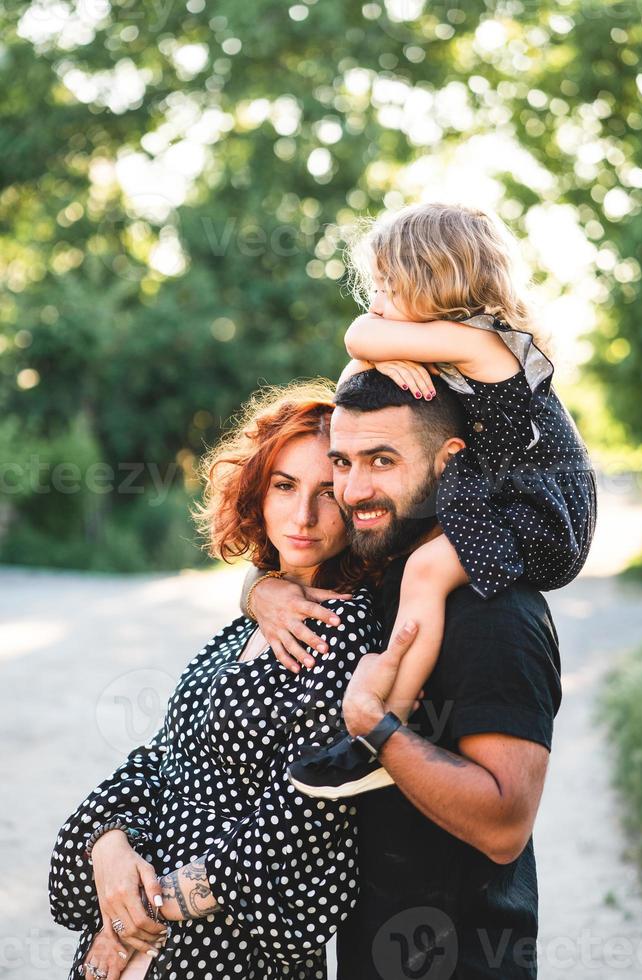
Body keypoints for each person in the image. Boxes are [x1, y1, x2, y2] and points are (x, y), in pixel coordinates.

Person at [48, 381, 391, 980]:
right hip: (139, 931)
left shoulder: (345, 632)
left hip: (221, 954)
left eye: (328, 494)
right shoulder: (250, 622)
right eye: (285, 486)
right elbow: (161, 760)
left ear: (358, 504)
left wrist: (138, 914)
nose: (303, 515)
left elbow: (308, 821)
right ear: (258, 492)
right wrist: (107, 847)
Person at [246, 368, 563, 979]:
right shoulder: (389, 568)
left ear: (450, 463)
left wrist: (375, 726)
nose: (353, 489)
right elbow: (284, 548)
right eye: (344, 461)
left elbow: (504, 827)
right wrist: (260, 591)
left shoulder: (493, 610)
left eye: (383, 460)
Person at [290, 201, 595, 796]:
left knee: (427, 571)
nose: (374, 300)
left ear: (436, 282)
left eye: (387, 285)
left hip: (543, 514)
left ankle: (381, 732)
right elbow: (354, 378)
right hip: (499, 499)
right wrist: (383, 353)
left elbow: (357, 336)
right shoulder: (447, 347)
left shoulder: (489, 347)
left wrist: (379, 345)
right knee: (412, 565)